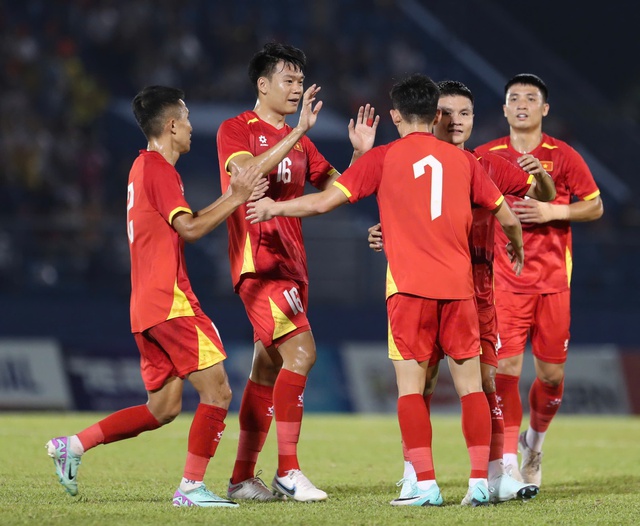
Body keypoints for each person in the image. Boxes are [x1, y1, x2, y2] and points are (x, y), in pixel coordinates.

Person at [246, 73, 525, 507]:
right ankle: (478, 484)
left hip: (409, 291)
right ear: (435, 115)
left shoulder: (382, 158)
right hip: (460, 290)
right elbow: (506, 214)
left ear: (395, 115)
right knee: (471, 387)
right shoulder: (465, 161)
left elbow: (323, 202)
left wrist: (274, 206)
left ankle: (425, 485)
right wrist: (519, 247)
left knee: (412, 390)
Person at [45, 85, 265, 508]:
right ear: (170, 125)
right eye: (185, 118)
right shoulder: (159, 170)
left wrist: (230, 198)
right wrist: (236, 197)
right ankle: (191, 488)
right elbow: (192, 229)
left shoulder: (140, 168)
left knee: (162, 408)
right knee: (218, 392)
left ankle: (72, 446)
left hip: (145, 306)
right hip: (170, 300)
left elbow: (184, 223)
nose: (190, 126)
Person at [368, 79, 555, 503]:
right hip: (421, 284)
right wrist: (382, 232)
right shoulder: (417, 162)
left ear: (473, 121)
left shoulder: (484, 164)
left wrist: (541, 177)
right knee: (424, 380)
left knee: (487, 380)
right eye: (447, 113)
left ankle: (493, 475)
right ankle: (415, 473)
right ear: (433, 116)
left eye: (465, 114)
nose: (455, 121)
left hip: (478, 289)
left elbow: (542, 194)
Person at [216, 42, 378, 503]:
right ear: (262, 85)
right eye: (287, 81)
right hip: (259, 264)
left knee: (265, 372)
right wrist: (297, 132)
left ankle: (242, 479)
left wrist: (361, 156)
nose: (296, 89)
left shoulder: (302, 141)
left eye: (300, 82)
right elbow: (245, 179)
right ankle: (288, 470)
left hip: (293, 266)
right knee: (302, 354)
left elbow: (339, 191)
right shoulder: (235, 130)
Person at [474, 73, 603, 486]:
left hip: (552, 284)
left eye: (531, 98)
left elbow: (595, 206)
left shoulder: (562, 155)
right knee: (505, 370)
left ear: (544, 109)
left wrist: (553, 212)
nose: (523, 104)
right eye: (515, 98)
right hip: (505, 284)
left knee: (550, 377)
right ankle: (508, 459)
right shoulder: (485, 155)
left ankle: (535, 444)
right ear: (505, 109)